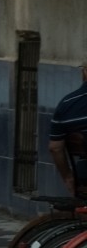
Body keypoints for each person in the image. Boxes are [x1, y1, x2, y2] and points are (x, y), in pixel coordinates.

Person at [50, 61, 87, 202]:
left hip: (82, 175)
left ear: (84, 72)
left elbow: (55, 148)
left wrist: (67, 177)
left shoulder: (66, 104)